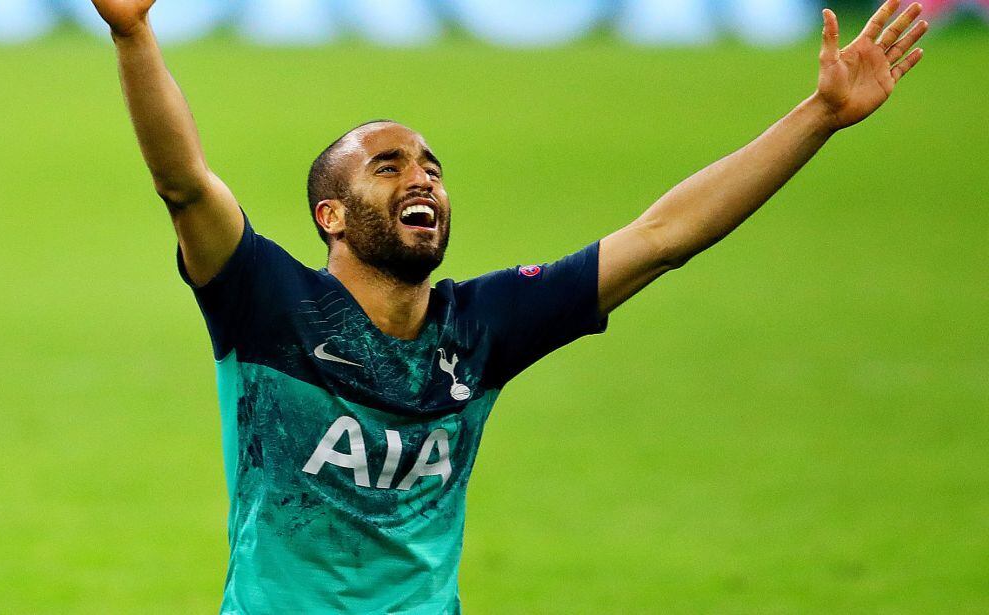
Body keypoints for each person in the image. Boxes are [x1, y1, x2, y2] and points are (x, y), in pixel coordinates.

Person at [91, 0, 927, 612]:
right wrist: (134, 35)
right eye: (388, 166)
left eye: (432, 166)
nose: (422, 176)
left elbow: (665, 235)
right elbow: (184, 182)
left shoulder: (480, 329)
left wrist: (819, 117)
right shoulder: (266, 304)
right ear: (331, 217)